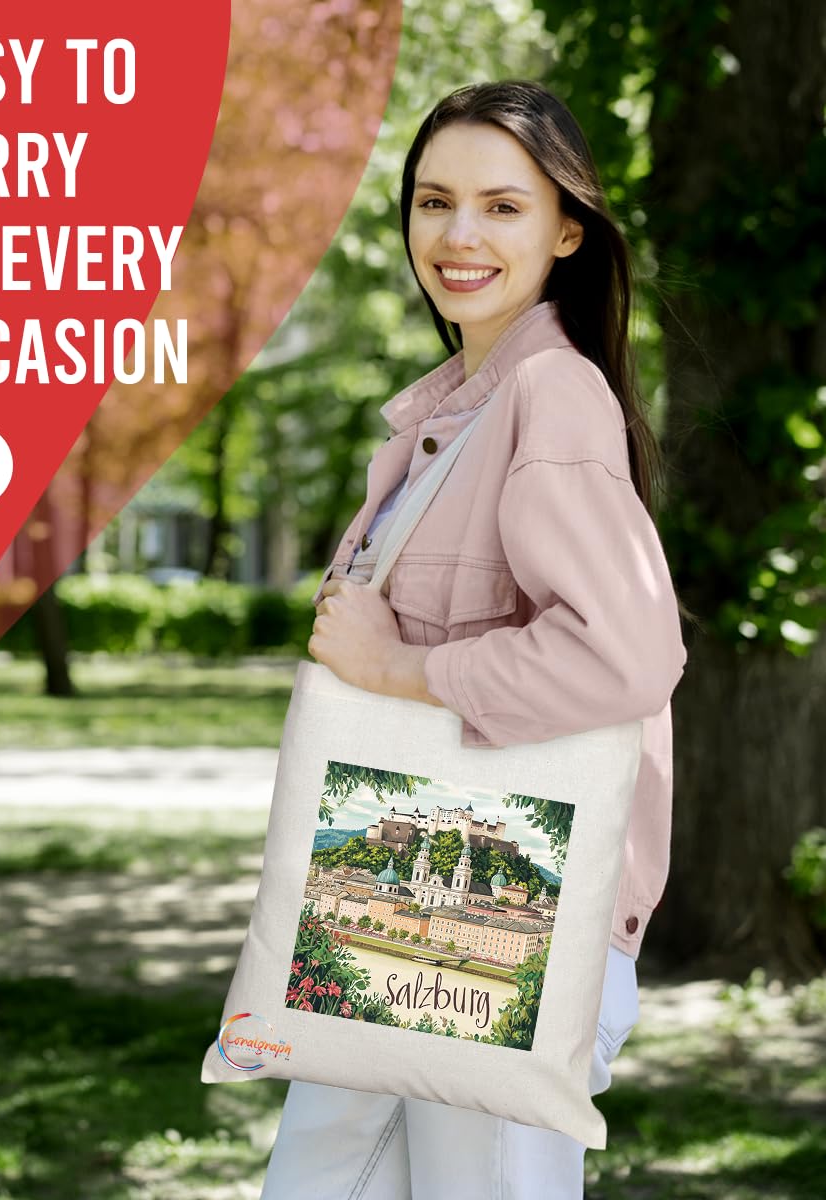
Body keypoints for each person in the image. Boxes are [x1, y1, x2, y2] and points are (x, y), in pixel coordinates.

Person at [259, 79, 688, 1200]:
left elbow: (624, 659)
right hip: (407, 904)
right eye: (433, 201)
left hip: (514, 921)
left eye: (502, 207)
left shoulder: (551, 397)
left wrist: (398, 668)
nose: (457, 236)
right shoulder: (454, 414)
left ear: (565, 229)